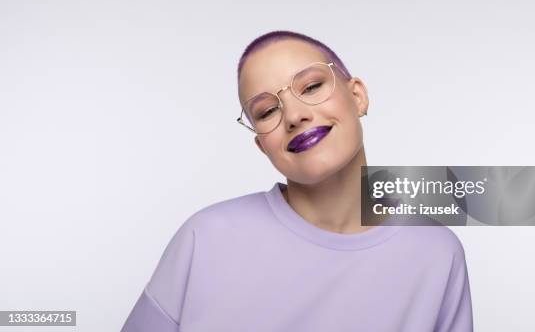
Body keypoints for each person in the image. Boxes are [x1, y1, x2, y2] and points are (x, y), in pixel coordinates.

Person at [121, 31, 473, 331]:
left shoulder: (436, 253)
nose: (294, 115)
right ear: (262, 145)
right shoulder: (206, 237)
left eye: (312, 86)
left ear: (357, 96)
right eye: (267, 111)